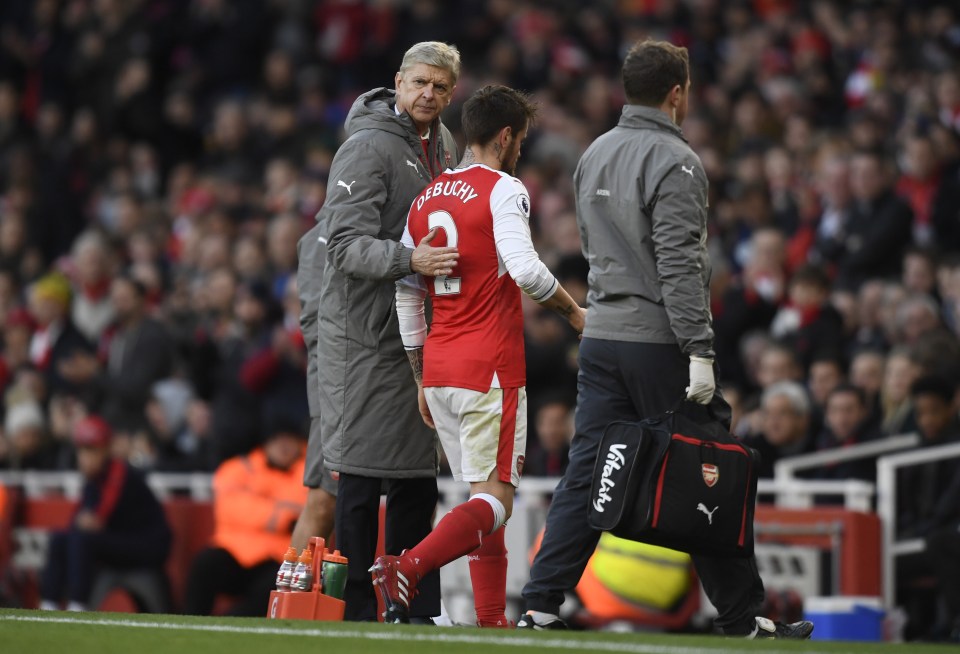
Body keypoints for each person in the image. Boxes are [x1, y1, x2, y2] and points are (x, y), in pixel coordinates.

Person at [516, 39, 813, 640]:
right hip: (659, 342)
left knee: (587, 471)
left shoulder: (593, 153)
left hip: (600, 338)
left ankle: (541, 602)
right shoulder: (677, 162)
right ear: (677, 93)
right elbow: (679, 264)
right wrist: (700, 348)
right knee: (711, 469)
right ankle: (741, 617)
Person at [370, 85, 585, 626]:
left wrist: (421, 375)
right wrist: (579, 316)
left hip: (440, 368)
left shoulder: (427, 197)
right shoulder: (504, 188)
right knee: (497, 501)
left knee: (481, 505)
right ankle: (410, 566)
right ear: (507, 136)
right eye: (522, 141)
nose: (521, 152)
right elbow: (526, 269)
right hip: (489, 369)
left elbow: (406, 288)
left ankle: (491, 624)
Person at [312, 41, 462, 622]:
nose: (429, 95)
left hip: (420, 333)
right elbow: (344, 246)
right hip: (365, 337)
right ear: (398, 81)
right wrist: (410, 261)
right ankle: (348, 611)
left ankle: (413, 608)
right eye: (421, 82)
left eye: (441, 87)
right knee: (361, 479)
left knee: (415, 479)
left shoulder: (443, 145)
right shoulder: (366, 147)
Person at [39, 416, 172, 611]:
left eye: (92, 450)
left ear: (106, 450)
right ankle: (48, 603)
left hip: (146, 545)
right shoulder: (94, 480)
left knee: (81, 540)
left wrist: (84, 524)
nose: (85, 457)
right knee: (59, 538)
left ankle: (78, 604)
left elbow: (97, 519)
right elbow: (78, 521)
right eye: (82, 451)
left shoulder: (119, 473)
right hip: (117, 540)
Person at [182, 418, 307, 616]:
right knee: (205, 565)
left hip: (280, 557)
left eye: (290, 440)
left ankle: (228, 628)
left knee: (275, 585)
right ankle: (188, 625)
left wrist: (257, 508)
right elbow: (230, 508)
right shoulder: (238, 468)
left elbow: (309, 513)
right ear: (265, 441)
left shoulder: (308, 473)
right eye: (277, 439)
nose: (283, 446)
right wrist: (281, 517)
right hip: (234, 551)